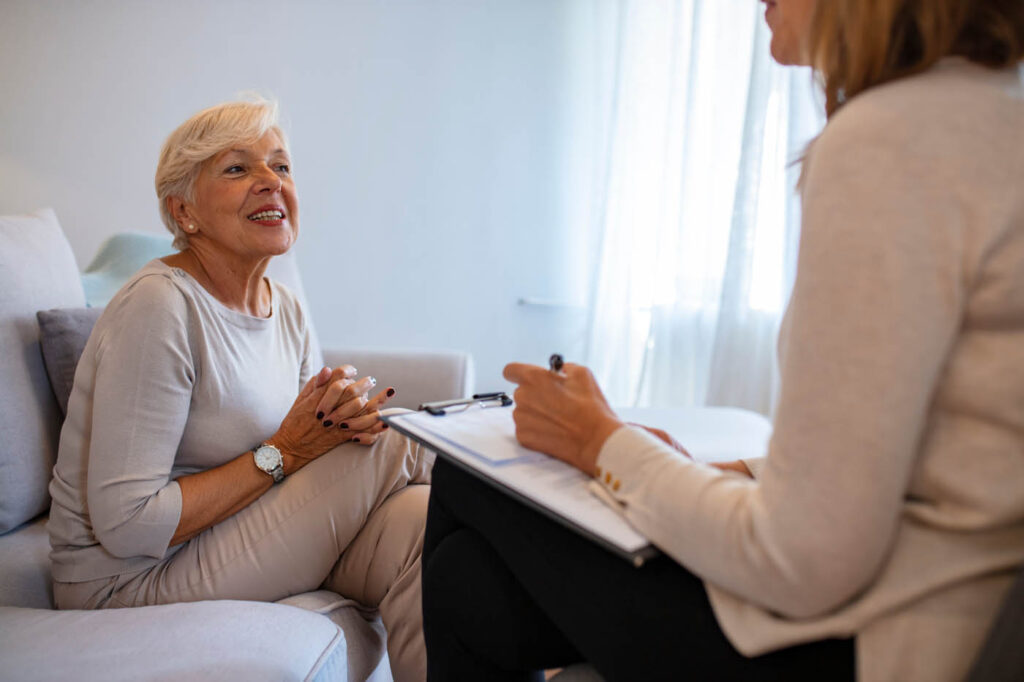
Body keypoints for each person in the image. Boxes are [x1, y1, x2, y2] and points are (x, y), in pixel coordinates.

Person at [421, 1, 1024, 680]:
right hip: (930, 601)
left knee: (467, 475)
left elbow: (801, 559)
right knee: (465, 584)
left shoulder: (893, 137)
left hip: (876, 639)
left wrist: (601, 443)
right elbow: (934, 448)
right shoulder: (993, 113)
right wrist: (704, 472)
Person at [47, 99, 434, 681]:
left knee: (422, 520)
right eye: (237, 169)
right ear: (184, 212)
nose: (269, 182)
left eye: (280, 166)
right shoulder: (160, 305)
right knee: (405, 441)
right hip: (129, 575)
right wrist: (291, 449)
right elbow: (126, 524)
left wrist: (340, 422)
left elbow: (318, 443)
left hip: (231, 534)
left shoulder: (288, 309)